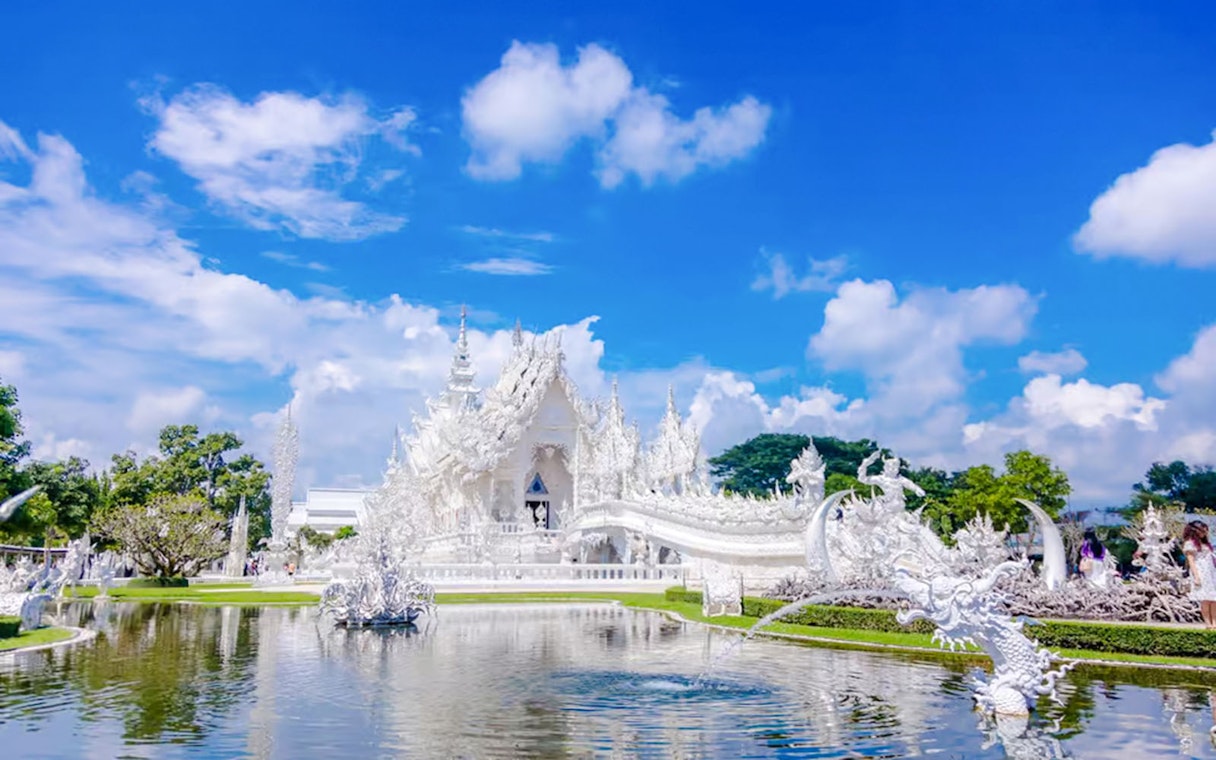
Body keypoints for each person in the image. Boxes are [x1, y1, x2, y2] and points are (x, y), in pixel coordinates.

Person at [1182, 520, 1216, 629]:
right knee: (1205, 599)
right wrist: (1196, 577)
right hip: (1200, 572)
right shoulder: (1190, 543)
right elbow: (1191, 561)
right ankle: (1208, 624)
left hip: (1210, 572)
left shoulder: (1206, 544)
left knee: (1214, 599)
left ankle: (1214, 623)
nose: (1205, 532)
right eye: (1203, 530)